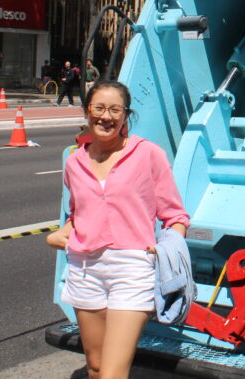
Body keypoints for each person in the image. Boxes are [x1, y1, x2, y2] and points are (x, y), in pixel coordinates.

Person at [46, 81, 190, 379]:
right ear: (87, 112)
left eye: (115, 110)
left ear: (126, 116)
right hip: (85, 269)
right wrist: (59, 235)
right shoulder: (75, 161)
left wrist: (169, 246)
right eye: (99, 108)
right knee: (96, 368)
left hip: (131, 269)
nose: (106, 116)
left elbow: (175, 214)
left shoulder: (148, 154)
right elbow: (77, 213)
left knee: (113, 373)